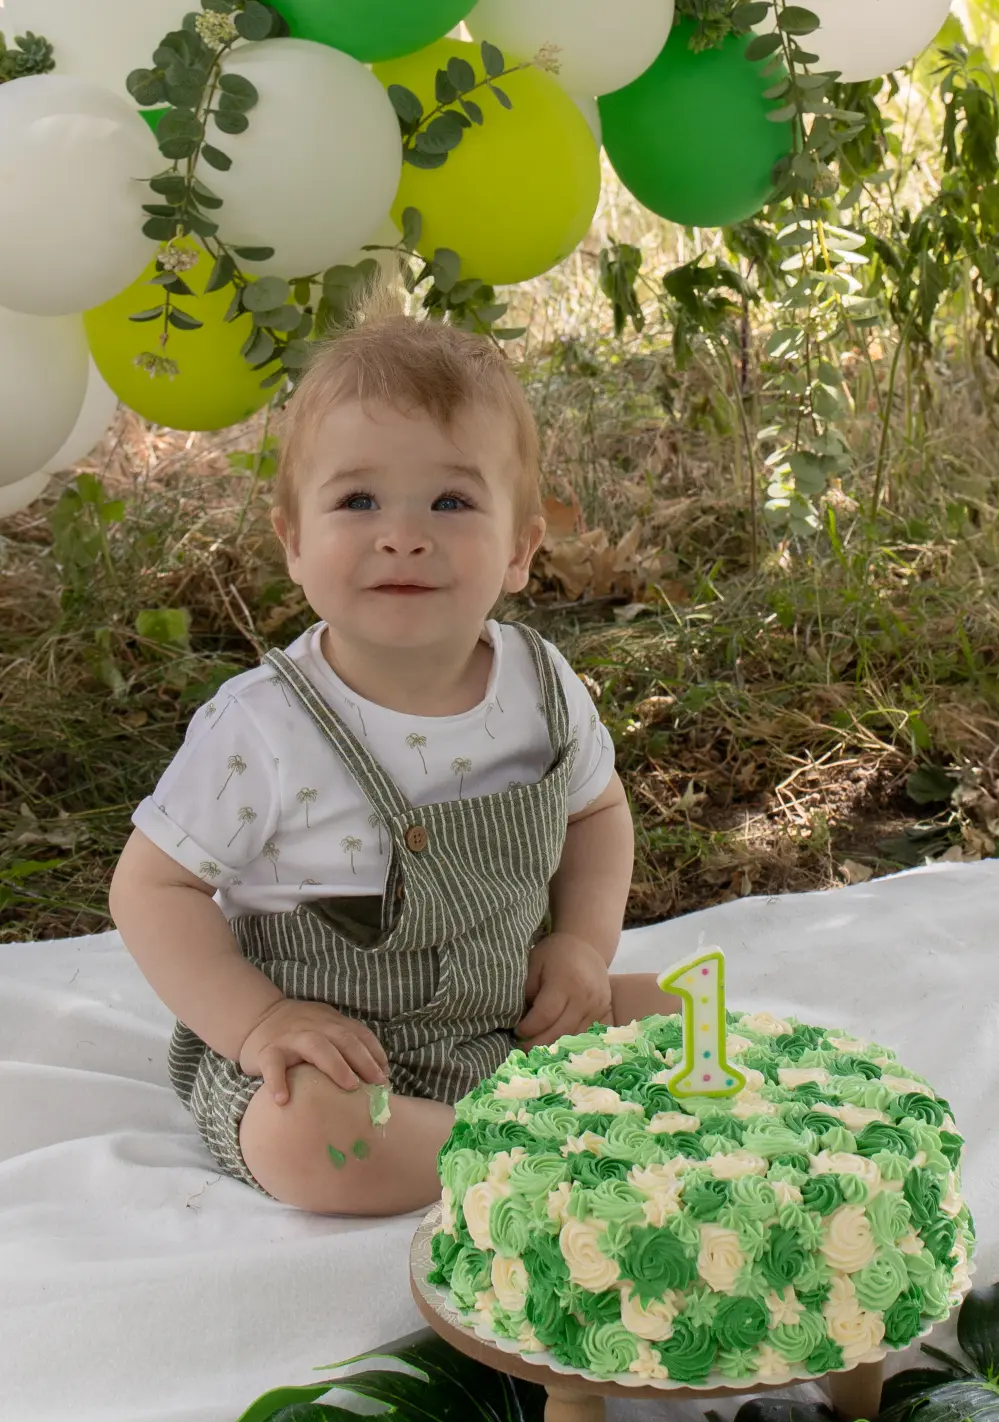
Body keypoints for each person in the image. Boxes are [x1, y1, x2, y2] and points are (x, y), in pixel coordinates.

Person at [108, 280, 678, 1217]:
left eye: (451, 502)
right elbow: (150, 887)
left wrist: (579, 945)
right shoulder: (265, 725)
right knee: (315, 1143)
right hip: (327, 1057)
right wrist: (259, 1025)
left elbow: (597, 813)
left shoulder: (540, 688)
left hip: (500, 1025)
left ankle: (511, 1127)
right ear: (293, 541)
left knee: (674, 1013)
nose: (403, 537)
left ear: (520, 549)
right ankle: (527, 1155)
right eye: (359, 500)